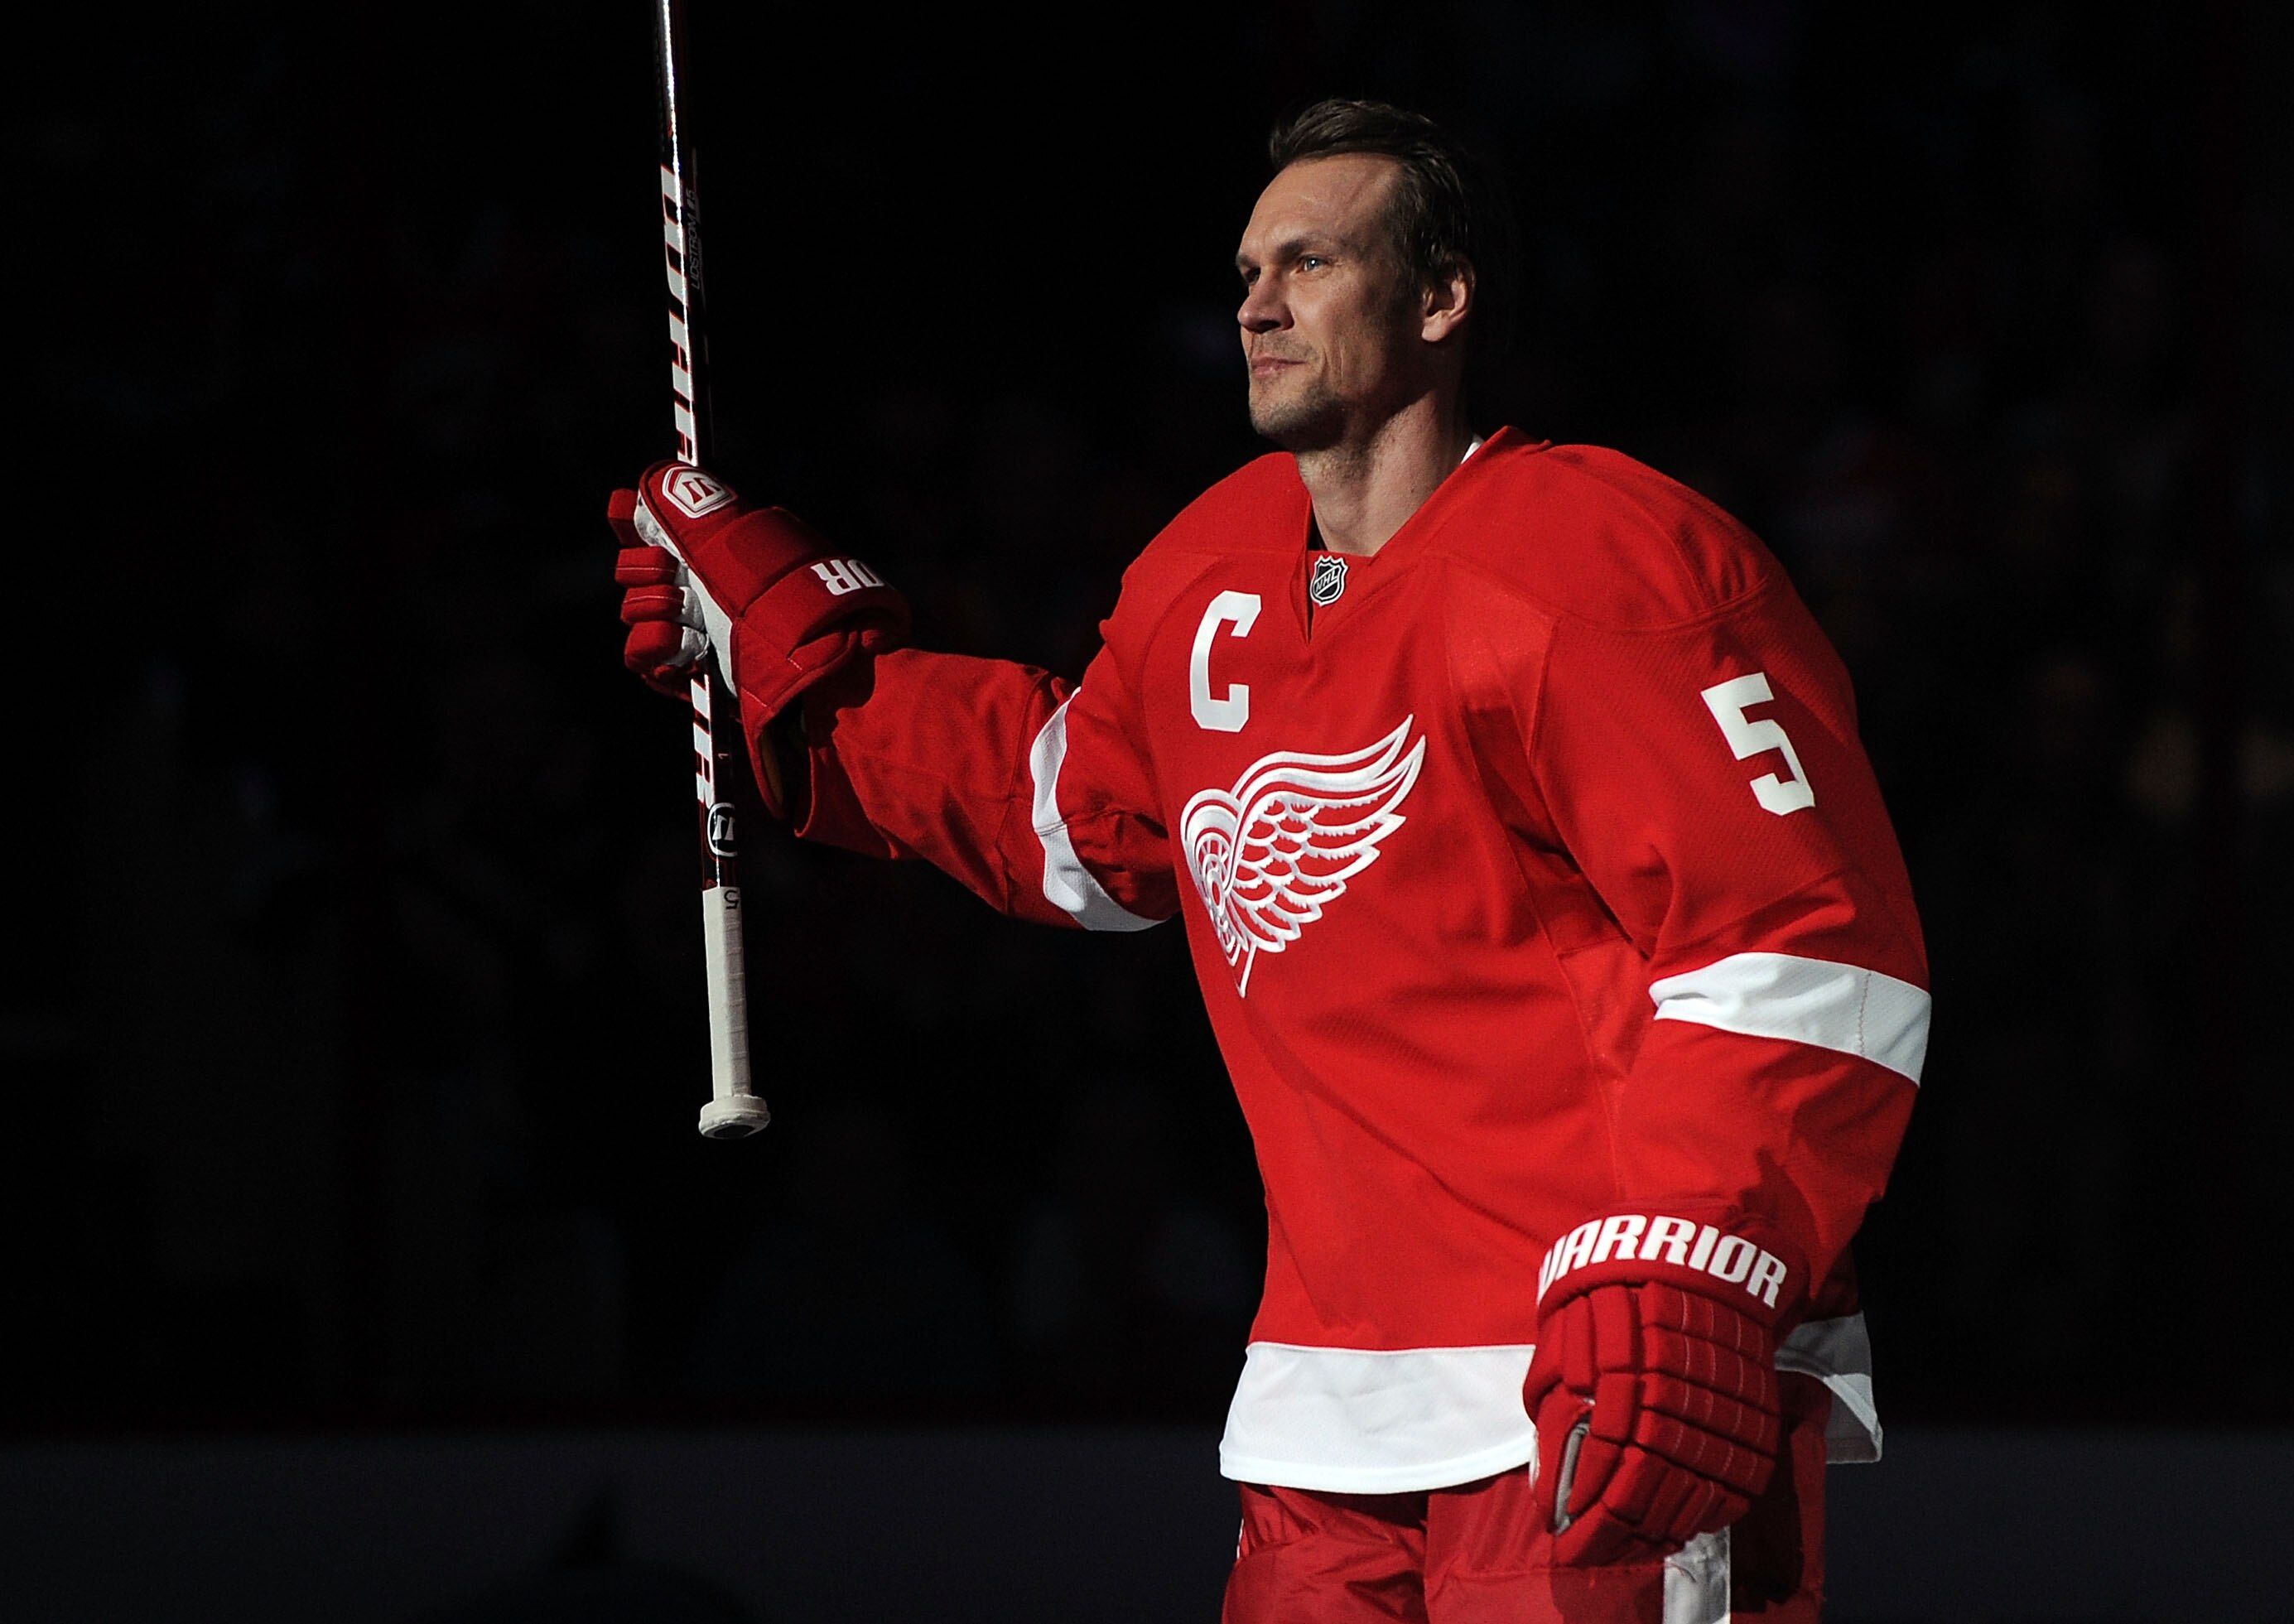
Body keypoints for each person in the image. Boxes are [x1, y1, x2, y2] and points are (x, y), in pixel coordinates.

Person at [610, 100, 1925, 1624]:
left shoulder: (1602, 555)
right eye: (1245, 266)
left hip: (1603, 1371)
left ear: (1441, 300)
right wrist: (802, 670)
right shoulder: (1207, 569)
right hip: (1320, 1402)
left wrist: (1700, 1255)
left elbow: (1804, 940)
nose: (1253, 299)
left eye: (1308, 260)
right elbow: (1067, 819)